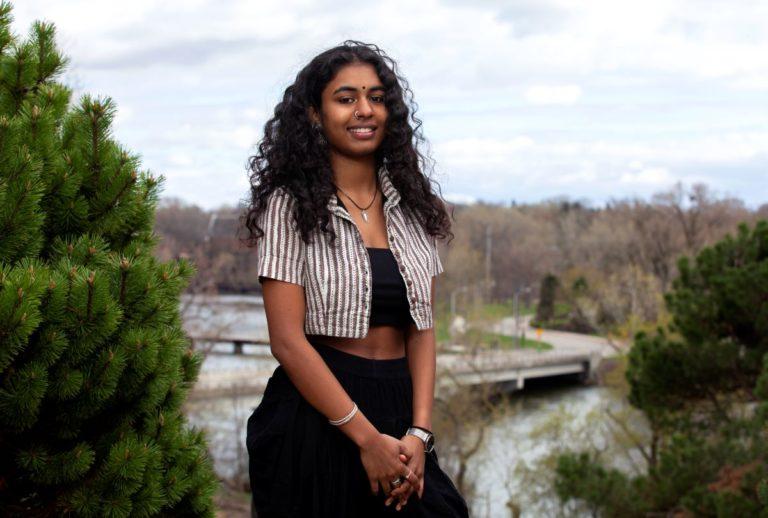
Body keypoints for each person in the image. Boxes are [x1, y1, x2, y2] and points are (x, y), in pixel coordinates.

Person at [242, 40, 469, 517]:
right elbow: (286, 341)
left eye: (377, 97)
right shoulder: (288, 206)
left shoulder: (414, 209)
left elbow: (423, 329)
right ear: (313, 114)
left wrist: (420, 435)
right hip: (317, 414)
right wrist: (366, 439)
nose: (365, 110)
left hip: (401, 413)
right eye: (346, 98)